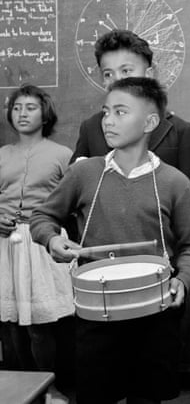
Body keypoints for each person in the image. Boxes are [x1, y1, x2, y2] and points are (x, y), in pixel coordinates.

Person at [30, 77, 190, 404]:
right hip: (97, 315)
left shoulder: (174, 182)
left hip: (156, 313)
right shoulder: (85, 173)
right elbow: (43, 218)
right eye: (105, 111)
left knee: (147, 397)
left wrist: (183, 280)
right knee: (97, 396)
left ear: (150, 122)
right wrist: (51, 240)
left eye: (121, 112)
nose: (108, 120)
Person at [71, 29, 190, 219]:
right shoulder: (91, 128)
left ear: (149, 74)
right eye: (108, 74)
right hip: (102, 242)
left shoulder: (180, 131)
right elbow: (70, 195)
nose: (117, 80)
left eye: (126, 70)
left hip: (161, 243)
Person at [0, 84, 74, 403]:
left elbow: (75, 201)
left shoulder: (62, 155)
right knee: (11, 323)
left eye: (30, 107)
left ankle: (52, 387)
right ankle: (19, 390)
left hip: (43, 243)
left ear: (45, 114)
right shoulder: (2, 154)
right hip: (5, 244)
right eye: (17, 108)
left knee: (43, 323)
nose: (22, 114)